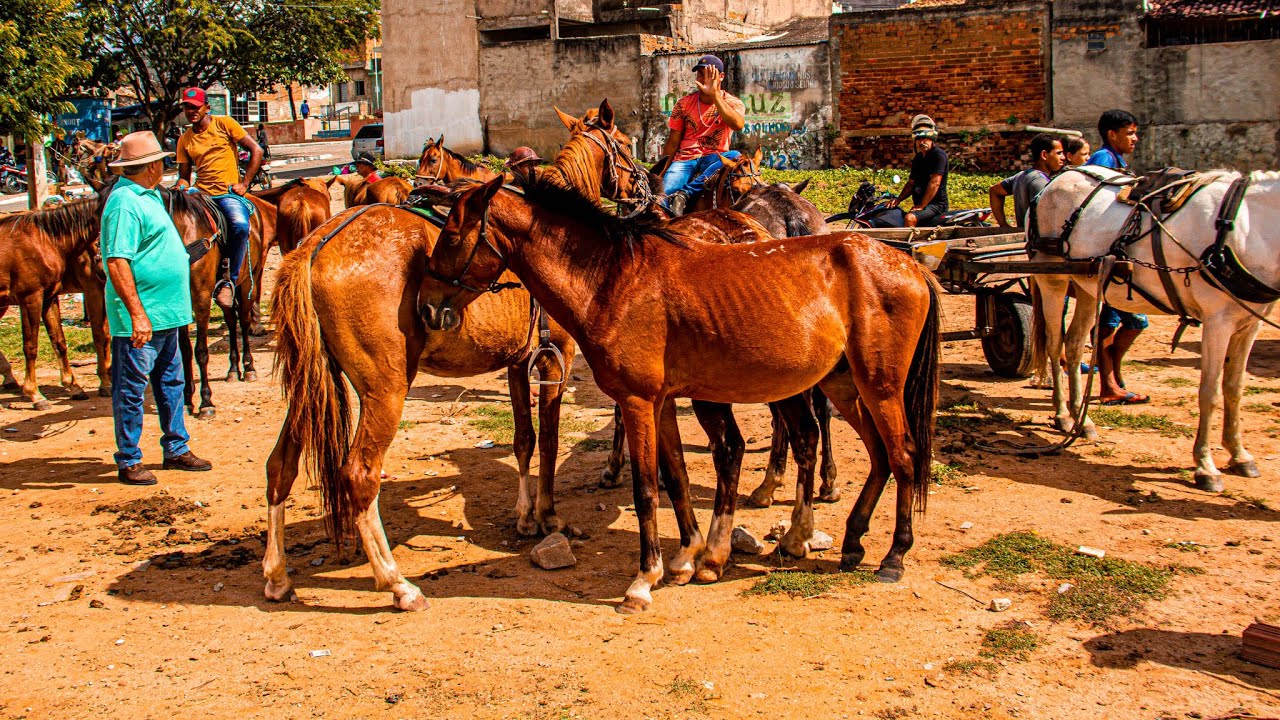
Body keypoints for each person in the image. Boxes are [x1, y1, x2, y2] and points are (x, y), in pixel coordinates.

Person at [100, 132, 212, 485]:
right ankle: (130, 459)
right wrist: (136, 313)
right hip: (144, 317)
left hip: (168, 314)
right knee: (132, 389)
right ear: (149, 166)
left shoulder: (148, 197)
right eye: (161, 161)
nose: (165, 166)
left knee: (171, 382)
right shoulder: (124, 203)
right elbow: (117, 261)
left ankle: (176, 447)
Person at [175, 86, 264, 310]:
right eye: (187, 107)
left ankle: (229, 282)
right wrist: (180, 186)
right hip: (200, 192)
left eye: (195, 107)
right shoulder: (184, 139)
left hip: (226, 193)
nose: (191, 111)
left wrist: (244, 184)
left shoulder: (225, 124)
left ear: (207, 107)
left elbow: (257, 150)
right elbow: (184, 177)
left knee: (240, 226)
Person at [1087, 109, 1148, 405]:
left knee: (1125, 320)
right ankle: (1109, 382)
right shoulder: (1103, 161)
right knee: (1121, 320)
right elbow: (1100, 207)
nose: (1135, 138)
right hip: (1108, 251)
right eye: (1130, 132)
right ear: (1113, 134)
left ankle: (1112, 377)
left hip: (1118, 250)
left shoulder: (1117, 162)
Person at [659, 54, 746, 216]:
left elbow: (737, 124)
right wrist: (660, 171)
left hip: (714, 158)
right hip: (685, 159)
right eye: (699, 73)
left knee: (735, 155)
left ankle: (685, 194)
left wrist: (715, 95)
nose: (703, 77)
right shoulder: (683, 104)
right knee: (662, 197)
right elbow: (672, 142)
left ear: (721, 77)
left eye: (708, 73)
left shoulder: (733, 102)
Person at [989, 133, 1065, 229]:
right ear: (1044, 155)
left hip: (1026, 236)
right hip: (1040, 240)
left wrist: (1003, 225)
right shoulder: (1040, 181)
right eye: (1059, 153)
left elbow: (995, 190)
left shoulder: (1021, 176)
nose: (1063, 157)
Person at [891, 114, 949, 228]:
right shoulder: (918, 158)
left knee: (910, 218)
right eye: (919, 139)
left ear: (932, 139)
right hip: (922, 204)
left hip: (936, 205)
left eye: (926, 139)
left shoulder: (938, 155)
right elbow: (911, 184)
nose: (922, 142)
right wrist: (898, 200)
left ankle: (909, 245)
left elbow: (935, 183)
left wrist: (922, 205)